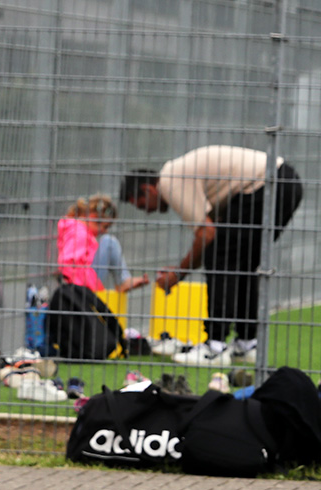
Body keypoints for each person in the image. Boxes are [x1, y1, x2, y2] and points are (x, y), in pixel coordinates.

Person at [121, 145, 304, 366]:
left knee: (220, 256)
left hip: (267, 184)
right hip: (285, 181)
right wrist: (181, 270)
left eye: (142, 205)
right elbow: (210, 232)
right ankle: (246, 343)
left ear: (148, 189)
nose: (147, 211)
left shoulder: (170, 182)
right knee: (243, 261)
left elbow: (206, 234)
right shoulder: (180, 176)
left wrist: (178, 273)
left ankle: (215, 347)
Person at [57, 194, 148, 294]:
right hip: (81, 285)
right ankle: (123, 280)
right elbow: (69, 264)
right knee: (109, 242)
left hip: (82, 281)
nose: (105, 231)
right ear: (93, 217)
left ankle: (123, 280)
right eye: (105, 227)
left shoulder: (80, 231)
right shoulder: (79, 232)